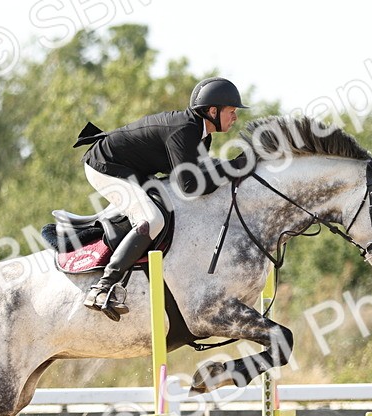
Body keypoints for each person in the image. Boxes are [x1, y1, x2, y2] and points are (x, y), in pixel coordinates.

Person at [73, 77, 249, 319]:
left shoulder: (201, 135)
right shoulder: (185, 130)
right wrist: (235, 166)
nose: (235, 117)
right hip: (105, 166)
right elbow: (190, 185)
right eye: (231, 111)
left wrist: (234, 165)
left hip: (134, 170)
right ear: (212, 111)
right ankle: (102, 288)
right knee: (152, 220)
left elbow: (202, 175)